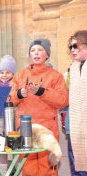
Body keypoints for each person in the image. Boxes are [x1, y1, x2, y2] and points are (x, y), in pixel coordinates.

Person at [9, 38, 69, 175]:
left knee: (47, 169)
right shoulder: (20, 75)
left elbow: (63, 101)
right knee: (28, 169)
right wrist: (19, 94)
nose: (36, 53)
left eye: (40, 50)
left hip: (47, 130)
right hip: (25, 129)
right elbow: (9, 101)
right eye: (33, 50)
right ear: (29, 55)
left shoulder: (56, 76)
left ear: (47, 54)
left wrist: (42, 92)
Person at [67, 30, 87, 175]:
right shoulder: (73, 69)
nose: (73, 50)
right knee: (77, 165)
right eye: (71, 47)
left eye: (76, 46)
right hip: (75, 127)